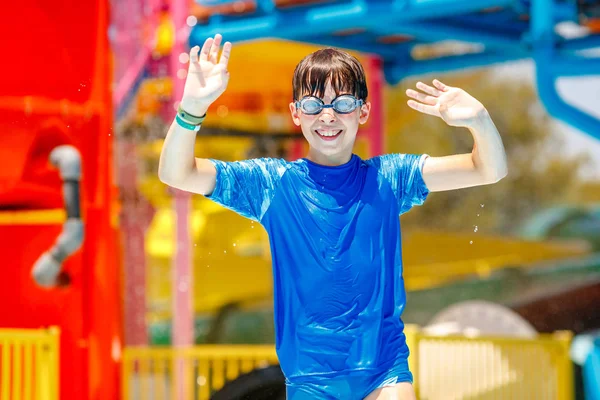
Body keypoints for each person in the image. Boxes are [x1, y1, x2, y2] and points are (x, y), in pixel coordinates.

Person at [158, 34, 508, 400]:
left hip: (383, 371)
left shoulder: (388, 178)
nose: (327, 115)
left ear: (363, 112)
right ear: (296, 113)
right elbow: (176, 173)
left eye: (342, 103)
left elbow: (488, 169)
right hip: (310, 380)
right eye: (313, 104)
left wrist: (480, 120)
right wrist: (192, 108)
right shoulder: (271, 185)